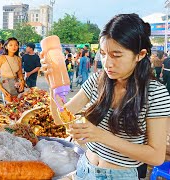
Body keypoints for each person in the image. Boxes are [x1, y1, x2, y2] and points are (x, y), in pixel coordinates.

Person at [44, 13, 170, 179]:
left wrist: (101, 136)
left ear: (140, 54)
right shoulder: (98, 80)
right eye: (103, 54)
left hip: (119, 175)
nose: (107, 63)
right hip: (85, 167)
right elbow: (61, 118)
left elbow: (156, 156)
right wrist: (54, 85)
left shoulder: (155, 93)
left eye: (116, 55)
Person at [0, 37, 25, 102]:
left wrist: (22, 81)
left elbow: (20, 73)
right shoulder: (1, 58)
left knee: (15, 103)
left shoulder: (18, 59)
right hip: (5, 83)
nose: (14, 47)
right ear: (6, 47)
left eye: (16, 45)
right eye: (11, 45)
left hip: (15, 82)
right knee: (8, 104)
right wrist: (1, 88)